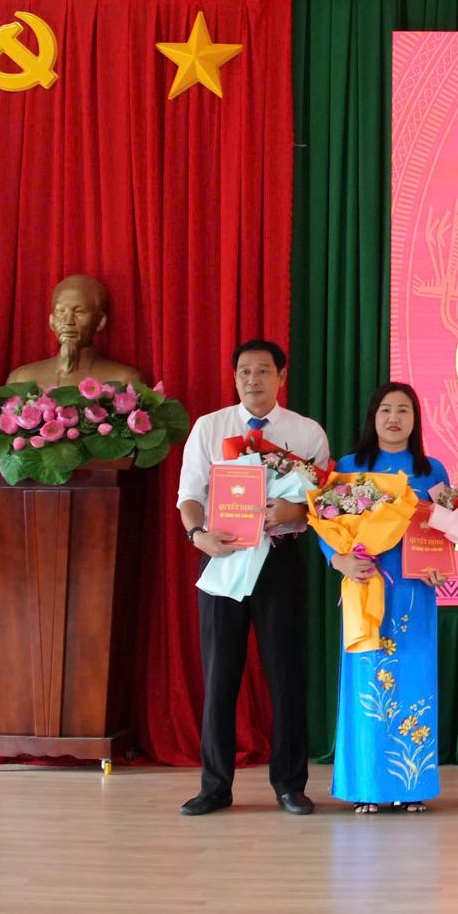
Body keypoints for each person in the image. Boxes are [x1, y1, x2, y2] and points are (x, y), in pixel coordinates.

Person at [176, 339, 328, 816]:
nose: (252, 379)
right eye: (244, 371)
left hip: (279, 560)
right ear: (234, 377)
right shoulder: (210, 427)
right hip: (223, 558)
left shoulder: (306, 432)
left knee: (286, 675)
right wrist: (198, 535)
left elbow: (323, 504)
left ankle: (290, 784)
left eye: (263, 370)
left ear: (281, 376)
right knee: (220, 675)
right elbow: (189, 495)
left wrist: (295, 511)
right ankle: (215, 786)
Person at [321, 382, 450, 814]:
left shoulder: (433, 470)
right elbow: (327, 523)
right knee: (367, 685)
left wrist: (441, 565)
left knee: (414, 683)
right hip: (366, 586)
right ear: (373, 418)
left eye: (404, 411)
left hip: (415, 592)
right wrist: (339, 560)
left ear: (416, 420)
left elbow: (445, 530)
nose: (394, 418)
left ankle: (411, 786)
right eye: (386, 410)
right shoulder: (350, 466)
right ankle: (367, 786)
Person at [7, 274, 145, 390]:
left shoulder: (124, 380)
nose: (68, 321)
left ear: (100, 321)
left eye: (79, 312)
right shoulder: (20, 379)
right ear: (51, 320)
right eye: (60, 311)